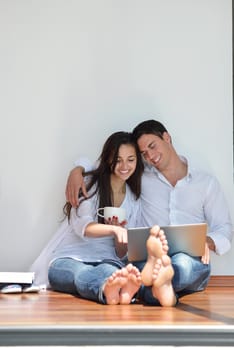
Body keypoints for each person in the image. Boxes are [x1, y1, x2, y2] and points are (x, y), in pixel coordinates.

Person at [65, 119, 233, 299]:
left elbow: (224, 228)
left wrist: (207, 241)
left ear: (167, 138)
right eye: (144, 153)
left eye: (153, 146)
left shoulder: (205, 183)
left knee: (181, 264)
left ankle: (159, 281)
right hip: (147, 260)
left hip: (189, 258)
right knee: (142, 275)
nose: (150, 157)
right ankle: (162, 292)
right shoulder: (139, 177)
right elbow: (109, 166)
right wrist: (77, 171)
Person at [30, 130, 177, 306]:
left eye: (130, 160)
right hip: (68, 258)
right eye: (118, 160)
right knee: (80, 273)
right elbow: (83, 227)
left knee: (109, 272)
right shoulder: (90, 185)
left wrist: (118, 238)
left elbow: (121, 252)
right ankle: (111, 290)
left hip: (107, 259)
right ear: (108, 159)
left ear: (137, 162)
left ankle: (154, 289)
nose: (124, 166)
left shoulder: (132, 199)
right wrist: (114, 229)